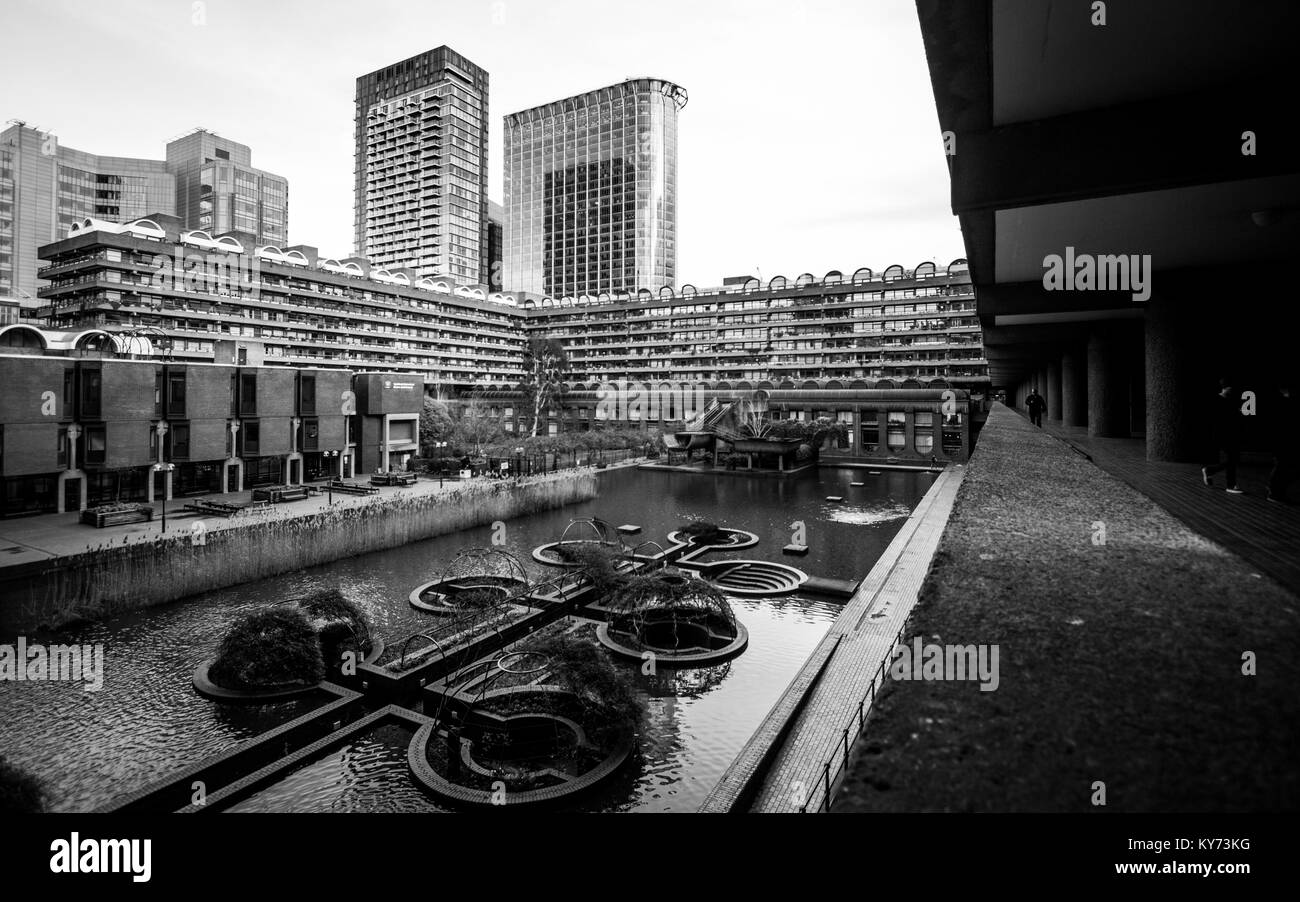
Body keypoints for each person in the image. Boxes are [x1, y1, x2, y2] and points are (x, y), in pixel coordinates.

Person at [1202, 378, 1244, 494]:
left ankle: (1210, 470)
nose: (1234, 391)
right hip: (1223, 434)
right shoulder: (1217, 400)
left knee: (1233, 459)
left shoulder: (1230, 400)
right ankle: (1230, 485)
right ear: (1226, 387)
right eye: (1232, 388)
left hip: (1231, 434)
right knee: (1232, 459)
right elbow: (1216, 420)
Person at [1267, 383, 1297, 504]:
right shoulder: (1282, 402)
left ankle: (1274, 489)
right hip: (1281, 439)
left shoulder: (1281, 401)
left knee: (1282, 465)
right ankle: (1275, 492)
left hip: (1280, 439)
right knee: (1283, 465)